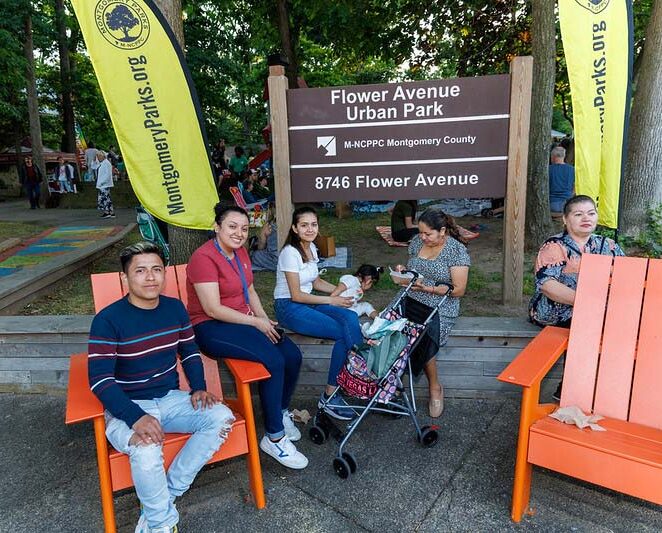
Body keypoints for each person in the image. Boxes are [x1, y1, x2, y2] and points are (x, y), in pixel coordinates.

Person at [88, 241, 235, 532]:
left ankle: (167, 493)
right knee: (145, 447)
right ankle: (161, 523)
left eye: (156, 269)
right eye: (140, 271)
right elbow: (100, 379)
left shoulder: (174, 308)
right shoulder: (107, 320)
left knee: (221, 418)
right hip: (129, 406)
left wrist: (199, 387)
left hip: (170, 398)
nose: (150, 277)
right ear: (124, 278)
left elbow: (190, 351)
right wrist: (135, 417)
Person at [187, 204, 308, 470]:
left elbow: (250, 289)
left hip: (243, 322)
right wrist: (256, 322)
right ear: (217, 227)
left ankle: (281, 411)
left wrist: (264, 319)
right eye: (232, 226)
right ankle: (274, 437)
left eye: (244, 228)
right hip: (211, 327)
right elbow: (212, 308)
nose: (239, 233)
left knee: (291, 355)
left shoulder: (240, 252)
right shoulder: (203, 258)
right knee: (273, 361)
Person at [528, 195, 624, 400]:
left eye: (591, 213)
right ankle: (568, 391)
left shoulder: (608, 246)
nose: (586, 218)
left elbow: (626, 278)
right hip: (557, 309)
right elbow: (548, 286)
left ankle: (614, 390)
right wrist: (589, 303)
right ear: (565, 219)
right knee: (590, 326)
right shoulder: (554, 246)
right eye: (578, 214)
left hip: (598, 309)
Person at [273, 206, 363, 421]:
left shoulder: (311, 248)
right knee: (343, 332)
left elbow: (316, 282)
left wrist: (343, 293)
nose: (310, 229)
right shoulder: (289, 253)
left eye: (313, 224)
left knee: (350, 317)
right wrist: (332, 300)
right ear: (295, 228)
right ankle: (332, 394)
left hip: (308, 302)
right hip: (289, 306)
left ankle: (357, 369)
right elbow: (296, 294)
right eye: (304, 225)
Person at [391, 208, 470, 418]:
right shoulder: (417, 242)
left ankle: (435, 387)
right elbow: (413, 269)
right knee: (388, 329)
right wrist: (402, 272)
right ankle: (391, 385)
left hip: (440, 303)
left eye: (428, 234)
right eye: (421, 232)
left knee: (423, 337)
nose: (422, 237)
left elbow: (459, 289)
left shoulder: (456, 250)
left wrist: (428, 288)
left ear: (442, 231)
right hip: (411, 297)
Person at [549, 146, 575, 214]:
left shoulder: (548, 169)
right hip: (568, 204)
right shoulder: (572, 169)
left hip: (551, 203)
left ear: (553, 156)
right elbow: (575, 187)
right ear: (564, 156)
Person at [95, 151, 115, 218]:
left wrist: (102, 182)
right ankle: (110, 212)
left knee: (104, 198)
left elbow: (107, 175)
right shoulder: (103, 163)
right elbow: (94, 166)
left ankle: (107, 211)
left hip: (104, 184)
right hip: (103, 184)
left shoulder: (106, 163)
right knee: (107, 198)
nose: (98, 158)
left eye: (98, 156)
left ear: (102, 156)